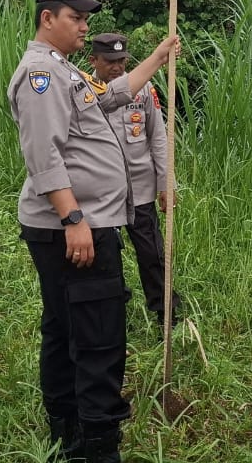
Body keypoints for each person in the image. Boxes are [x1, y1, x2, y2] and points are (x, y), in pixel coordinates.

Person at [8, 0, 179, 463]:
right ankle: (97, 445)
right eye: (77, 18)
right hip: (76, 227)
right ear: (48, 19)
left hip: (84, 223)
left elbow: (111, 96)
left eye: (86, 18)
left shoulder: (66, 72)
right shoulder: (41, 74)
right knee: (99, 336)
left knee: (66, 328)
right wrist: (74, 218)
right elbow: (43, 153)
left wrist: (159, 56)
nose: (85, 26)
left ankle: (69, 433)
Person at [88, 32, 181, 324]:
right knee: (106, 257)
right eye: (110, 61)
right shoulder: (84, 91)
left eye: (122, 60)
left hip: (139, 189)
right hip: (102, 193)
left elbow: (158, 137)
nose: (117, 67)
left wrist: (166, 183)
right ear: (94, 60)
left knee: (152, 254)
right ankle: (113, 311)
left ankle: (166, 315)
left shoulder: (143, 88)